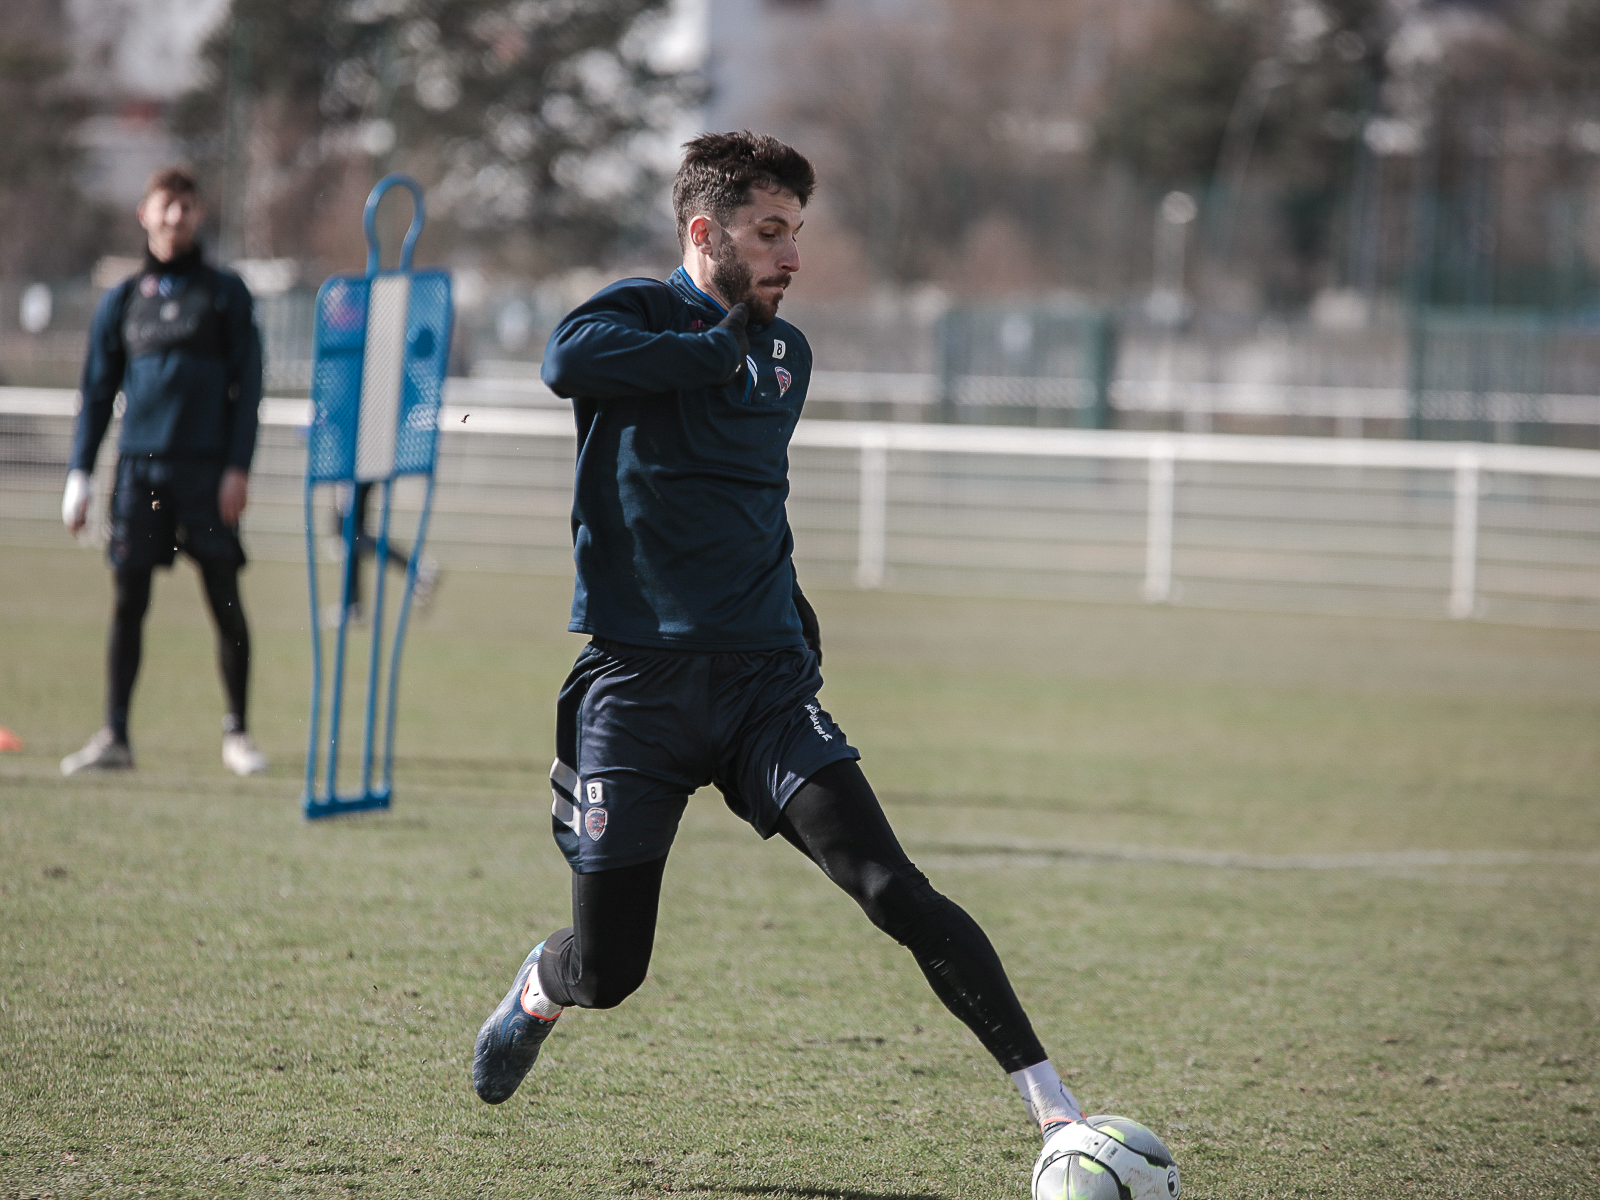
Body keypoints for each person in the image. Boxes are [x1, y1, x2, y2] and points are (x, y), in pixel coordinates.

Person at [470, 132, 1084, 1151]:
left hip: (763, 686)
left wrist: (792, 607)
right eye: (767, 233)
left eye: (796, 232)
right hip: (638, 690)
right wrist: (711, 347)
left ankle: (1057, 1111)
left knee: (893, 889)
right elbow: (563, 363)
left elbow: (756, 493)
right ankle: (543, 986)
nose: (791, 256)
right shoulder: (638, 313)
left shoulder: (788, 354)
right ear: (703, 232)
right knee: (610, 972)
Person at [60, 166, 268, 778]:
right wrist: (79, 472)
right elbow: (97, 391)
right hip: (139, 476)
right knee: (129, 602)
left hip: (206, 475)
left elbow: (248, 388)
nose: (176, 216)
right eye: (165, 205)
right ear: (144, 213)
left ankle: (238, 733)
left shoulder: (225, 293)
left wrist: (238, 467)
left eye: (186, 206)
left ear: (198, 214)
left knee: (225, 598)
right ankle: (116, 736)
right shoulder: (123, 299)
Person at [322, 481, 440, 628]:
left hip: (355, 469)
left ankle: (417, 569)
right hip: (362, 469)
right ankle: (352, 604)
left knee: (347, 531)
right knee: (352, 530)